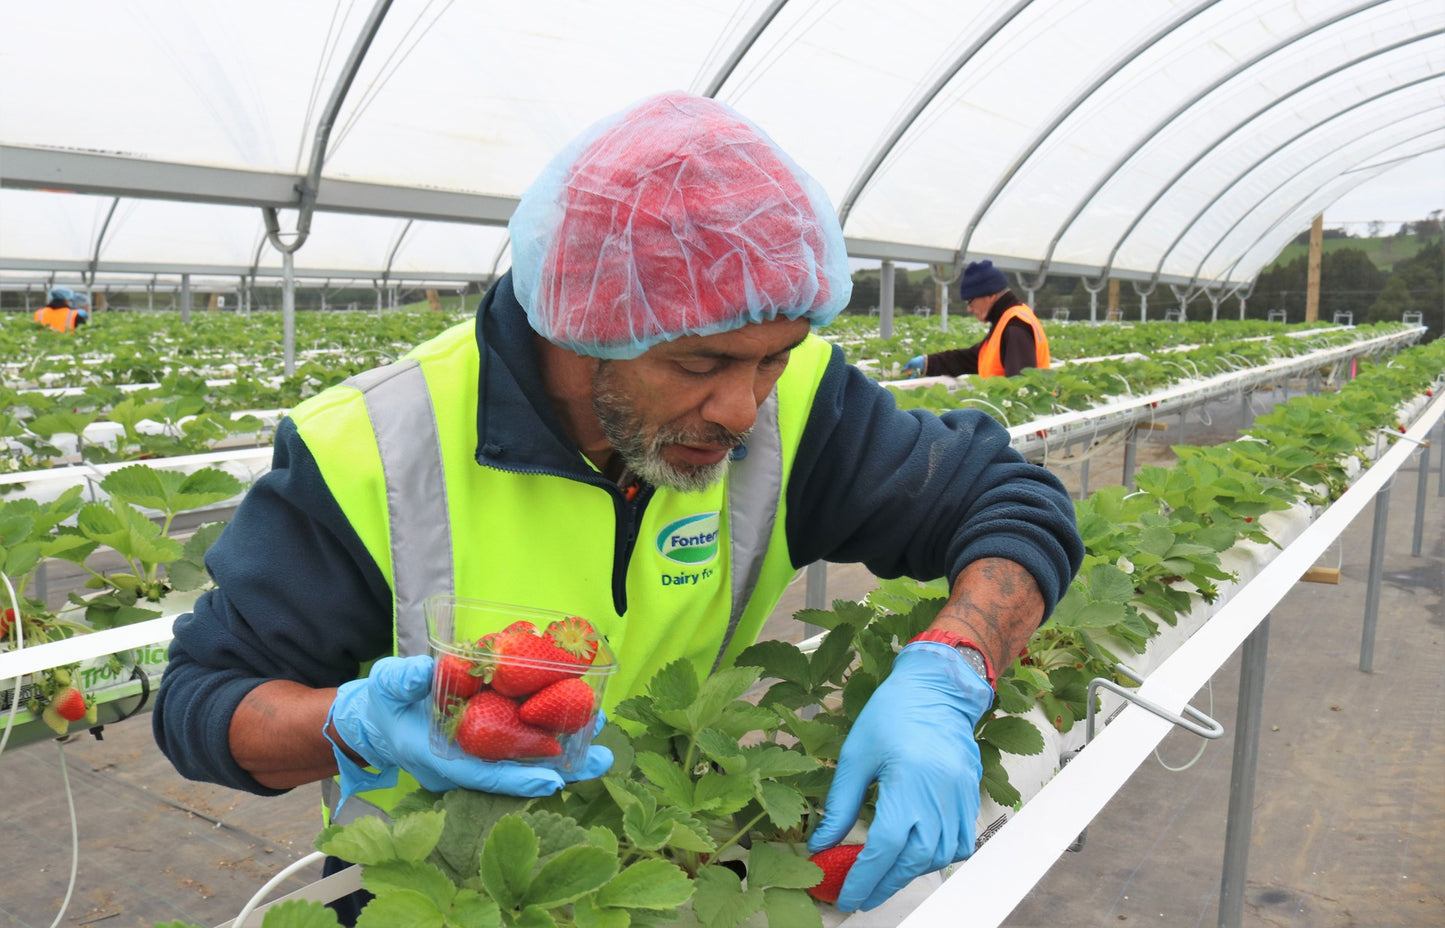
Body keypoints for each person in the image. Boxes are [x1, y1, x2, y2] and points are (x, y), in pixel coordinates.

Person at [152, 92, 1083, 916]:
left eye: (776, 354)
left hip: (658, 863)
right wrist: (353, 726)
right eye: (700, 362)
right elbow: (202, 700)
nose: (743, 407)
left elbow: (1006, 499)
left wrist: (953, 671)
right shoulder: (373, 448)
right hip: (440, 896)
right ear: (581, 321)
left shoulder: (802, 409)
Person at [903, 260, 1051, 378]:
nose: (969, 308)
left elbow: (1020, 385)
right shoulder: (1007, 319)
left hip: (1010, 414)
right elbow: (973, 358)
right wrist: (928, 363)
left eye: (970, 301)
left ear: (991, 296)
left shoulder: (1015, 326)